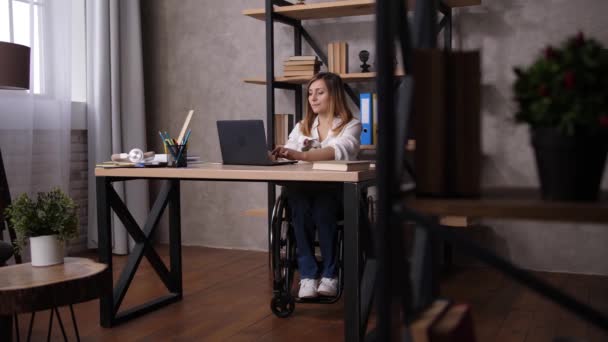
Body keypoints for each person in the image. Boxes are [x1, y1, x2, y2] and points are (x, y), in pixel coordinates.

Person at [272, 72, 362, 298]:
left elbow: (337, 151)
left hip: (337, 195)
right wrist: (279, 153)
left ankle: (330, 275)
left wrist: (299, 154)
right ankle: (308, 276)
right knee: (299, 206)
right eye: (310, 93)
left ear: (334, 96)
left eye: (319, 92)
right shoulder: (303, 126)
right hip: (304, 192)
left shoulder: (351, 125)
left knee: (322, 205)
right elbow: (288, 150)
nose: (313, 98)